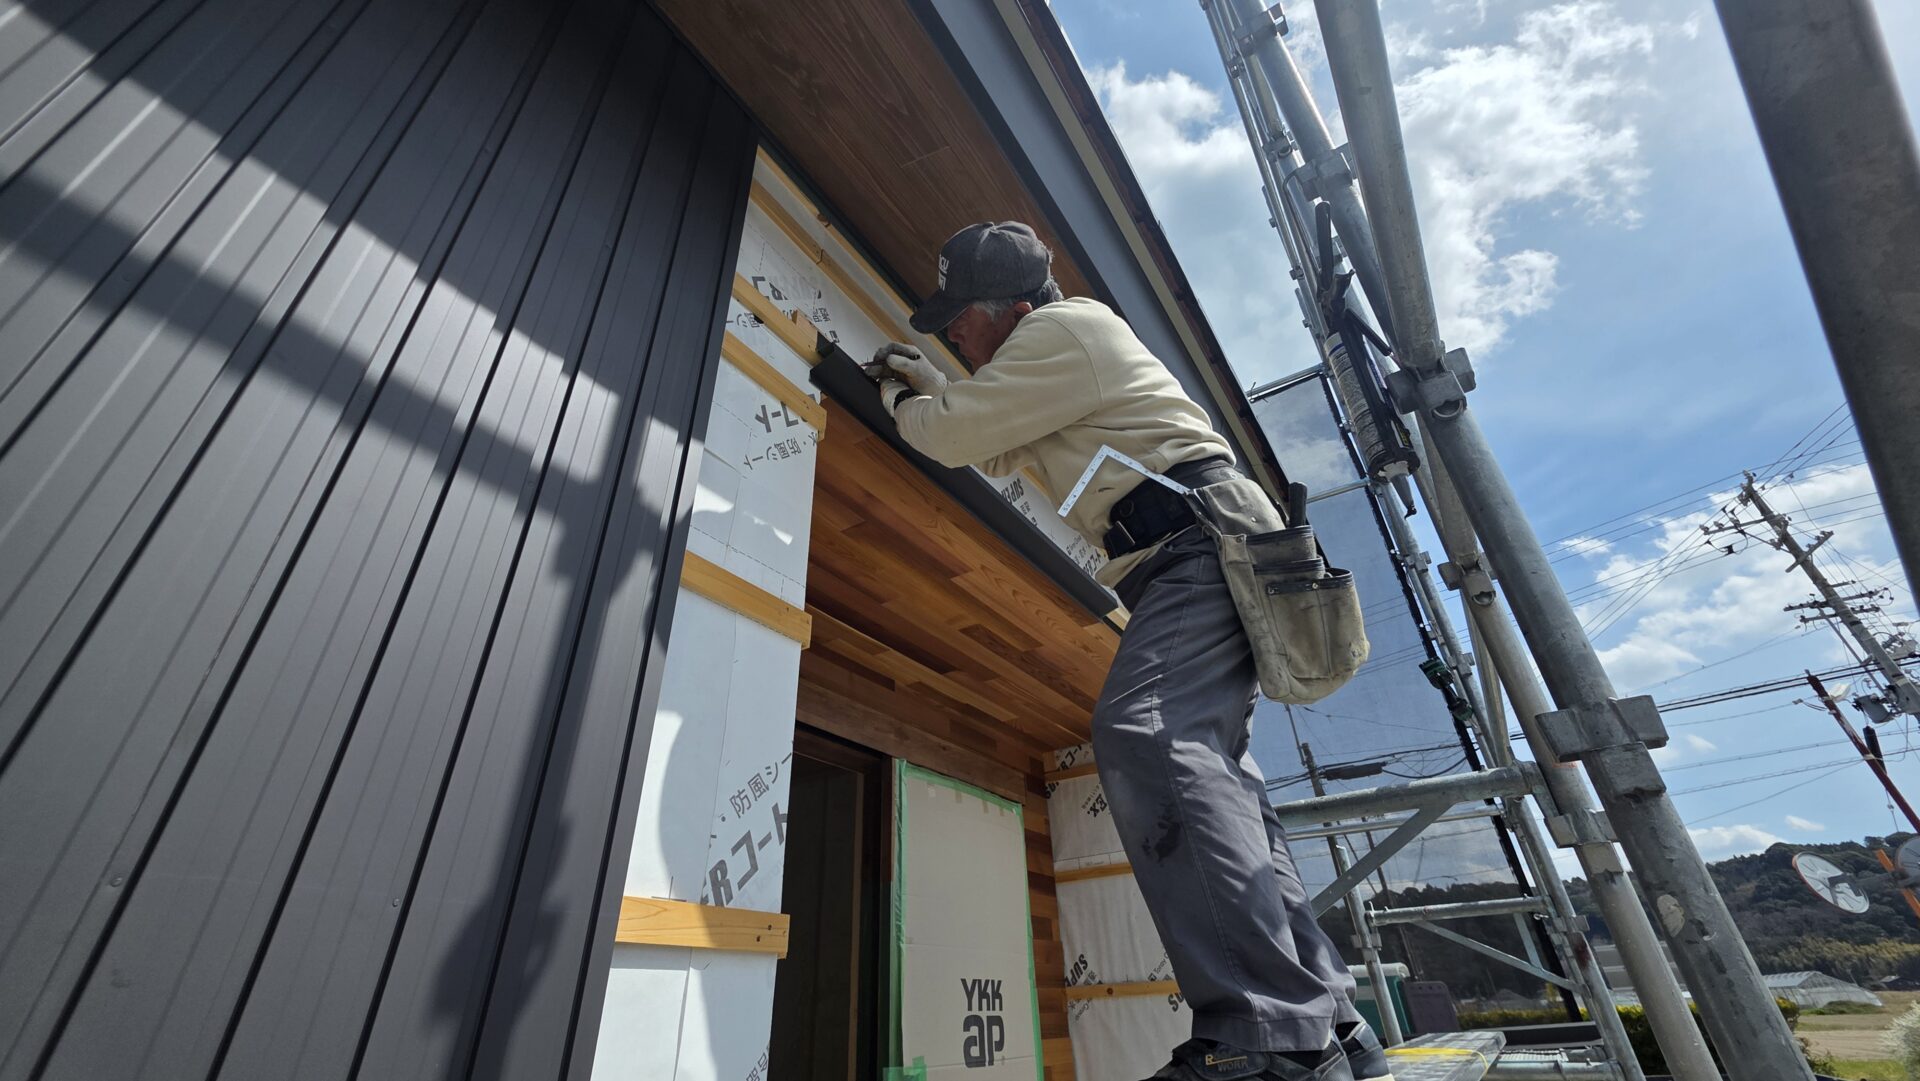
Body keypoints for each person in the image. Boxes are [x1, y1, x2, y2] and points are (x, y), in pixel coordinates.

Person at [865, 221, 1392, 1081]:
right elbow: (994, 439)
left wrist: (905, 399)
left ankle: (1265, 1036)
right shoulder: (1048, 360)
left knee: (1149, 736)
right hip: (1201, 552)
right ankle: (1329, 1028)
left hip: (1197, 545)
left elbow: (954, 435)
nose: (950, 333)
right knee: (1225, 784)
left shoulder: (1064, 331)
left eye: (958, 318)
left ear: (1012, 308)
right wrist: (936, 385)